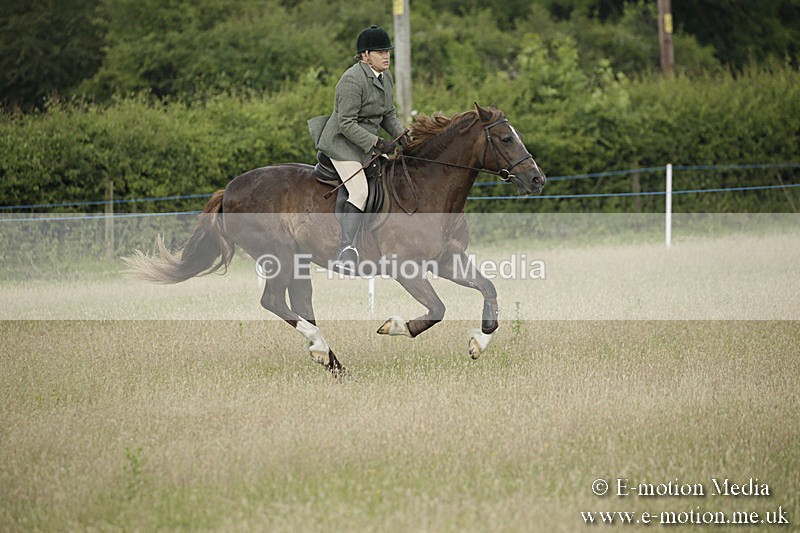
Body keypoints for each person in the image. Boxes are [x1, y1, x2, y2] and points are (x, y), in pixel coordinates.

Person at [309, 25, 406, 271]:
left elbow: (388, 114)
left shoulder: (386, 77)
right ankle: (346, 249)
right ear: (364, 55)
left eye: (388, 52)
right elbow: (346, 123)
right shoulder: (352, 79)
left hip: (363, 144)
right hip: (341, 143)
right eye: (379, 52)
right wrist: (375, 142)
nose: (386, 56)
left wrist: (404, 135)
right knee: (360, 191)